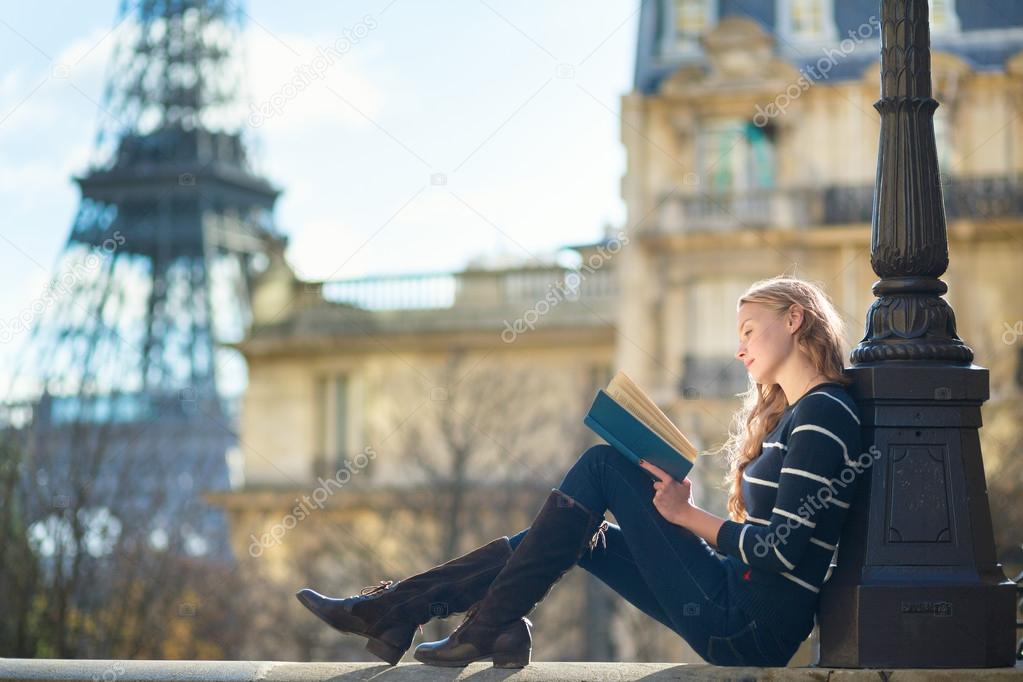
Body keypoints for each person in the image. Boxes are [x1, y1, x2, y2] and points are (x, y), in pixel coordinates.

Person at [295, 275, 864, 668]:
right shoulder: (801, 415)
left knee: (602, 467)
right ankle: (445, 618)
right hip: (733, 603)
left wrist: (686, 516)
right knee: (587, 535)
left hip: (748, 626)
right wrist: (678, 510)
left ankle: (417, 613)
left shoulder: (822, 414)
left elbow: (780, 551)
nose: (739, 349)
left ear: (795, 319)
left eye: (748, 330)